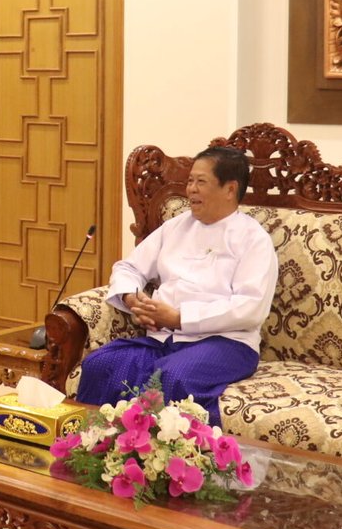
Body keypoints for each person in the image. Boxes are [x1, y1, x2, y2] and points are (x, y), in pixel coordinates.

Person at [74, 146, 278, 426]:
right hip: (162, 338)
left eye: (201, 182)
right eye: (190, 181)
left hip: (226, 344)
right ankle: (93, 453)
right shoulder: (177, 226)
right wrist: (134, 301)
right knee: (100, 365)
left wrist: (179, 318)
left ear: (230, 189)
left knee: (169, 377)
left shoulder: (252, 239)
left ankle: (156, 463)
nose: (191, 190)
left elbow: (250, 308)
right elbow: (128, 268)